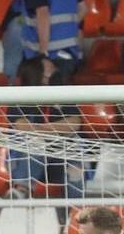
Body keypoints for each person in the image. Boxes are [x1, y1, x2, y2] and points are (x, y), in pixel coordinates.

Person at [6, 56, 85, 198]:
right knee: (36, 143)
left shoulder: (64, 95)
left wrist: (41, 130)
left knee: (74, 151)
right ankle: (21, 192)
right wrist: (56, 130)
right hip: (28, 158)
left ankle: (77, 208)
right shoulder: (19, 99)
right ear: (37, 73)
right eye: (50, 69)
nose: (55, 71)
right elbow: (22, 127)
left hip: (61, 157)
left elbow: (74, 123)